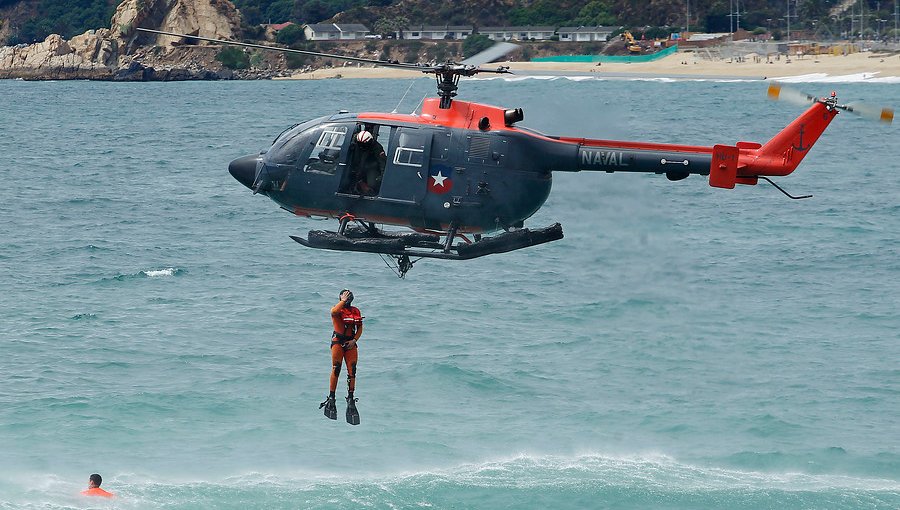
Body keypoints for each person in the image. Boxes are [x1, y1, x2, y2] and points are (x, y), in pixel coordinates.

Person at [320, 289, 363, 425]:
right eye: (345, 295)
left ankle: (350, 397)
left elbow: (360, 327)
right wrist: (342, 300)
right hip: (338, 342)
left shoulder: (355, 310)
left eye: (349, 295)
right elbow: (333, 312)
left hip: (350, 343)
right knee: (336, 368)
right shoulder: (336, 309)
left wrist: (354, 340)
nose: (348, 296)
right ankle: (331, 397)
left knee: (352, 371)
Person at [351, 130, 386, 195]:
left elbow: (382, 162)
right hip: (357, 164)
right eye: (360, 144)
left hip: (370, 167)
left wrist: (382, 176)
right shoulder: (355, 140)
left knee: (372, 184)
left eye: (364, 144)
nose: (362, 146)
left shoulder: (377, 148)